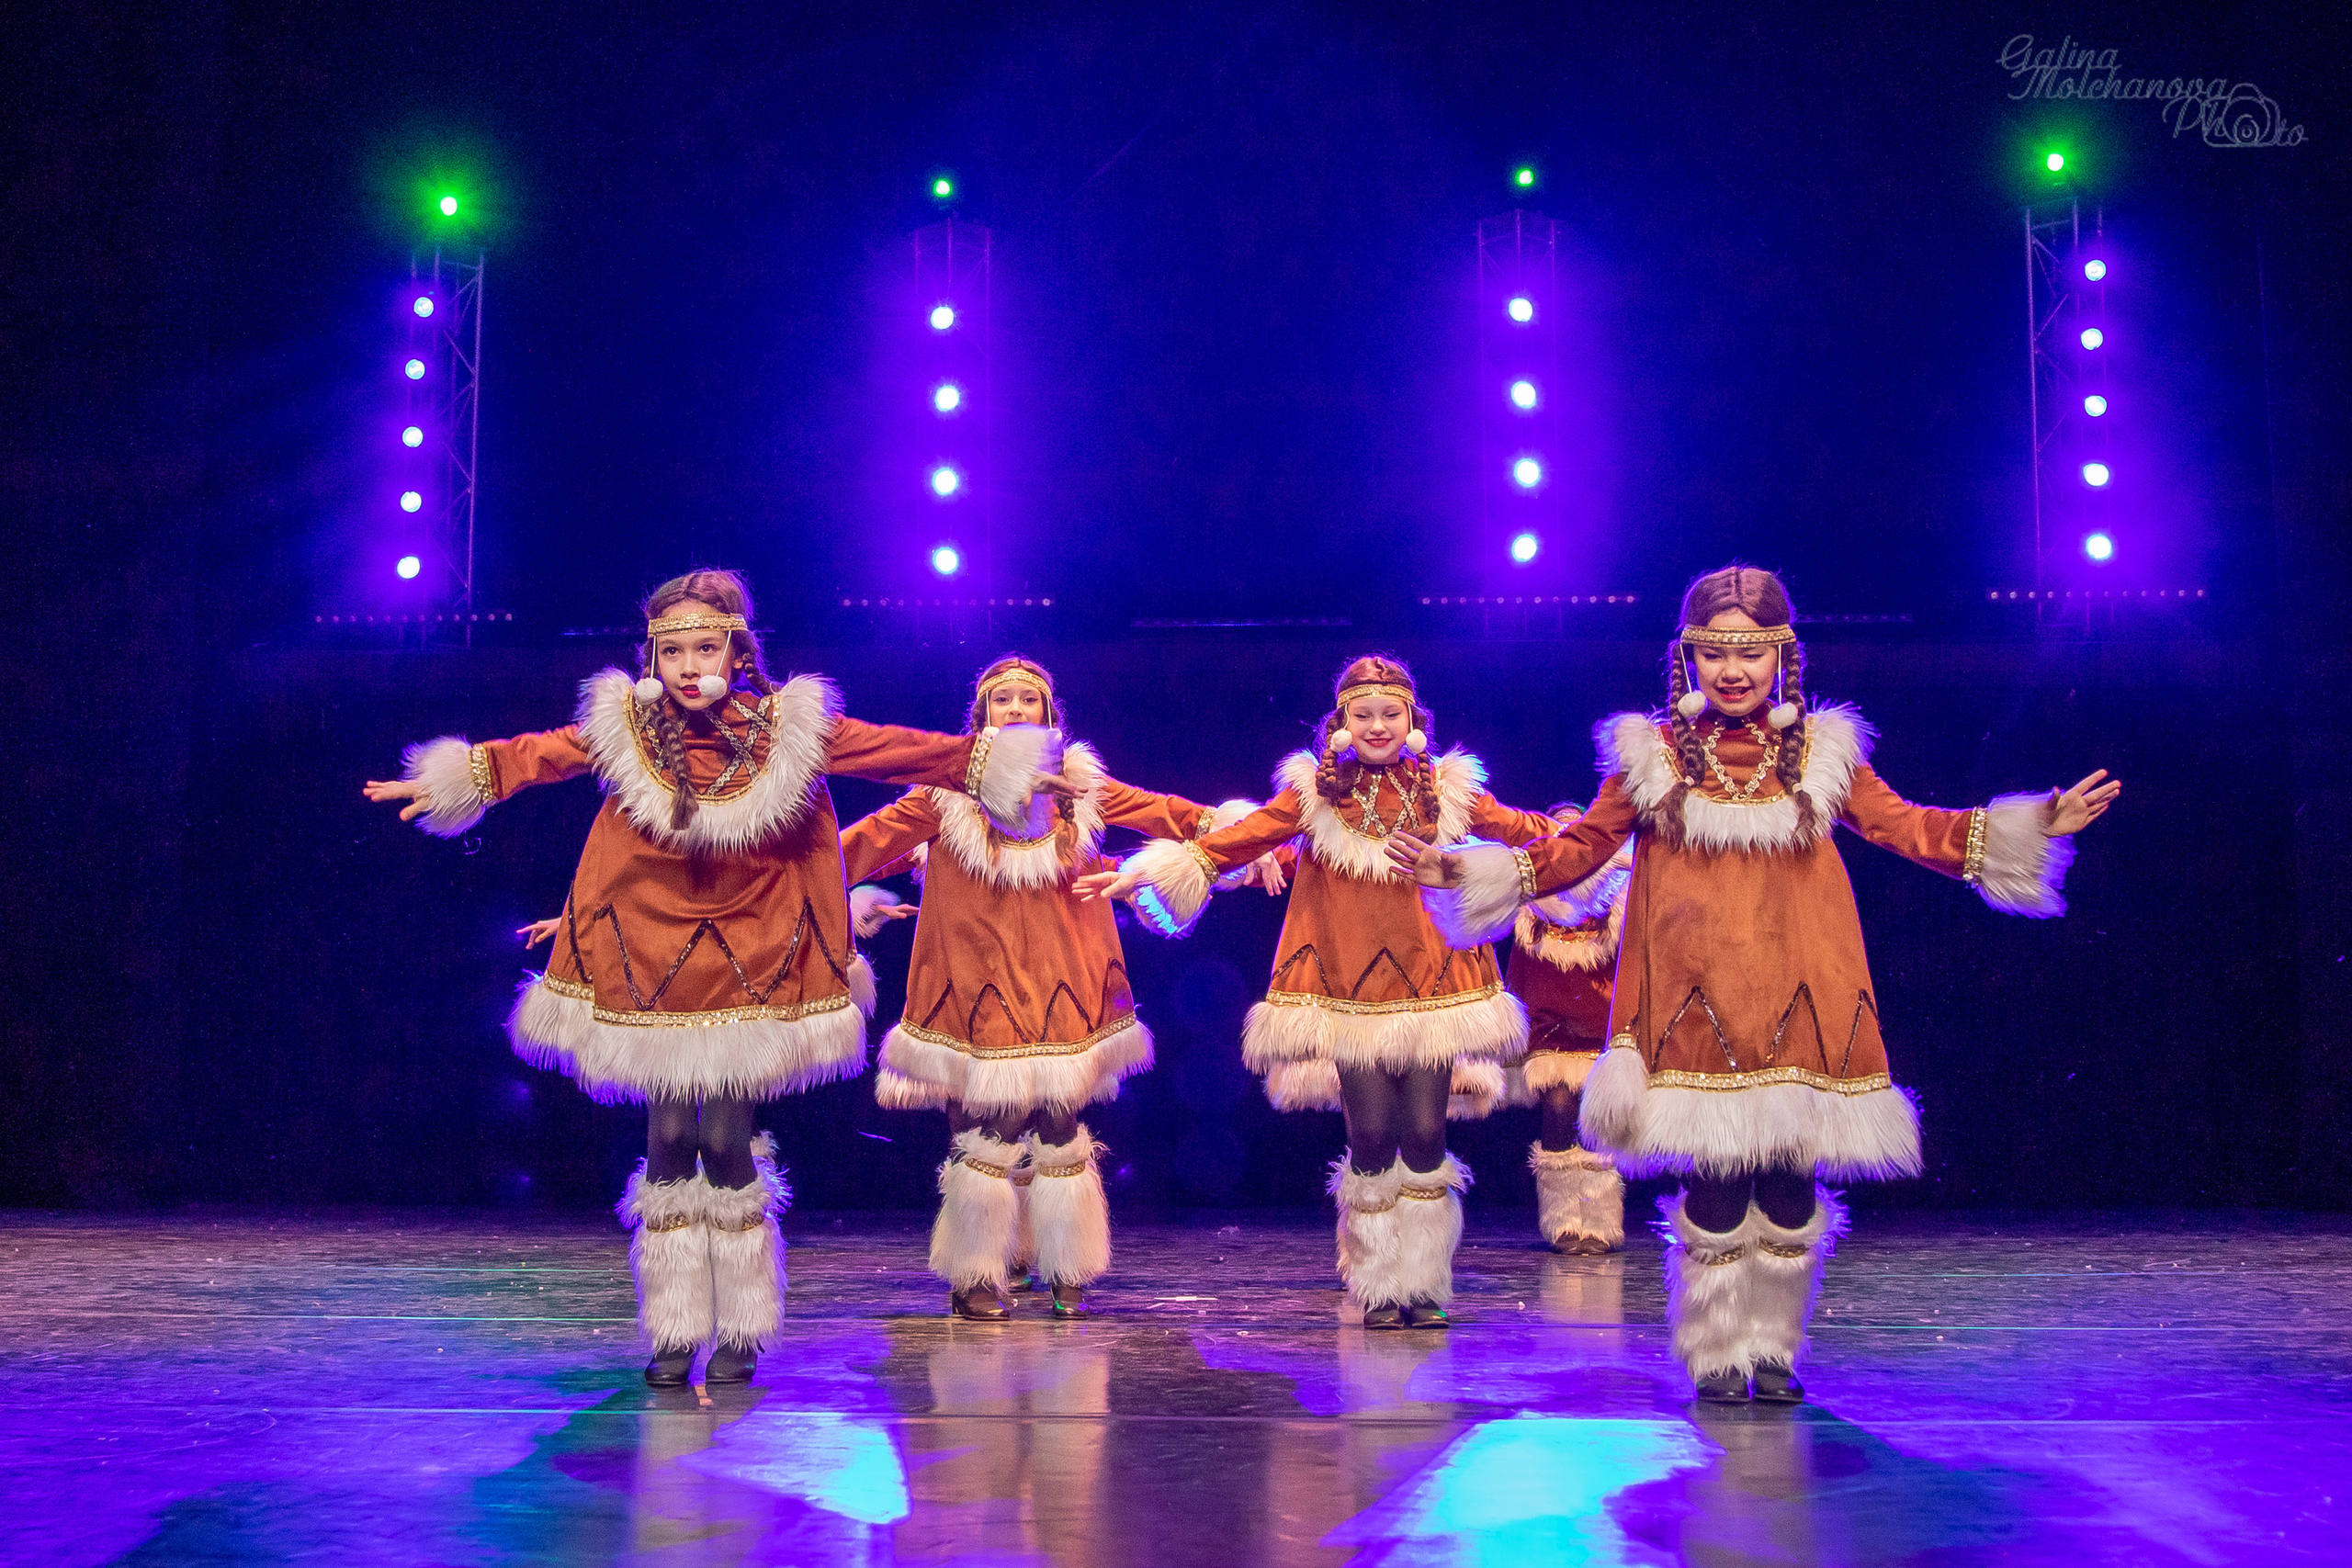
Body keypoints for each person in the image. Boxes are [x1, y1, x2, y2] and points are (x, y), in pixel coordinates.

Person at [1393, 565, 2118, 1400]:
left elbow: (1905, 826)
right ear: (1689, 659)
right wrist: (1462, 869)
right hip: (1696, 1002)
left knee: (1788, 1180)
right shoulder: (1654, 756)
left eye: (1752, 653)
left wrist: (2030, 823)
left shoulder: (1818, 753)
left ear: (1783, 657)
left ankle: (1772, 1347)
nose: (1733, 671)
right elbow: (1580, 848)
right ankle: (1717, 1349)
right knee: (1718, 1178)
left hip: (1799, 992)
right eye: (1714, 653)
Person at [365, 570, 1064, 1386]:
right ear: (651, 656)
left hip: (750, 956)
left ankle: (741, 1324)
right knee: (666, 1138)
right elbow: (539, 755)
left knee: (726, 1138)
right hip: (654, 956)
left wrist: (991, 764)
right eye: (672, 650)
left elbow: (896, 748)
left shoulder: (784, 727)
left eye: (706, 647)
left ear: (737, 650)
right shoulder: (627, 726)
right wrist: (460, 778)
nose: (690, 666)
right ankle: (671, 1327)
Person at [1078, 656, 1557, 1328]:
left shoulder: (1449, 789)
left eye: (1391, 714)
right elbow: (1241, 838)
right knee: (1370, 1133)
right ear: (1342, 723)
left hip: (1434, 985)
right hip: (1349, 989)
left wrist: (1599, 847)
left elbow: (1523, 831)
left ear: (1413, 720)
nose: (1378, 726)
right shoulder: (1315, 794)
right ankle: (1380, 1284)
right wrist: (1150, 872)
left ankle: (1422, 1281)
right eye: (1363, 714)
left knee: (1423, 1132)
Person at [841, 655, 1262, 1320]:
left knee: (1059, 1119)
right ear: (979, 718)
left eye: (1026, 700)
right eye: (1000, 700)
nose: (1013, 709)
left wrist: (1244, 836)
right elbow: (864, 844)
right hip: (977, 976)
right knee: (985, 1123)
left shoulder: (1081, 789)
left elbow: (1167, 813)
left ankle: (1065, 1263)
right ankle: (976, 1270)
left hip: (1063, 974)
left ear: (1049, 715)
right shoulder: (944, 794)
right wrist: (797, 882)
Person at [1506, 813, 1634, 1255]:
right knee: (1558, 1112)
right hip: (1550, 1025)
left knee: (1598, 1125)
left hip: (1602, 1029)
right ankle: (1563, 1220)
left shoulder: (1618, 905)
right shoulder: (1532, 911)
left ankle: (1599, 1223)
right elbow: (1519, 976)